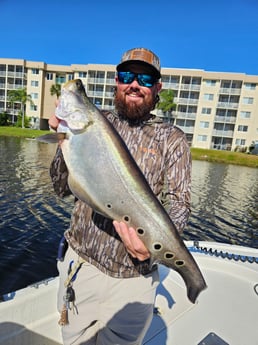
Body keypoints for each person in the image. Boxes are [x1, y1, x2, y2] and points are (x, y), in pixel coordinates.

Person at [49, 47, 191, 345]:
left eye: (146, 78)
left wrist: (152, 247)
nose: (135, 84)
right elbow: (61, 188)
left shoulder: (172, 139)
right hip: (82, 266)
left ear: (158, 87)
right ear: (117, 81)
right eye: (127, 75)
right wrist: (64, 142)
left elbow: (180, 202)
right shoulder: (95, 122)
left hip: (135, 281)